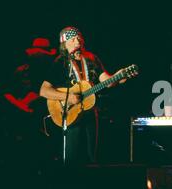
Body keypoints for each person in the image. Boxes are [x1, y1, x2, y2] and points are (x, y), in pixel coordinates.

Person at [39, 27, 127, 167]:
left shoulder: (91, 58)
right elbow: (44, 91)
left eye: (79, 38)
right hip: (71, 114)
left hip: (91, 113)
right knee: (72, 158)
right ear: (64, 44)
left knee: (93, 156)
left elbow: (106, 81)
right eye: (72, 39)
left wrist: (118, 78)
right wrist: (67, 97)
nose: (77, 41)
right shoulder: (60, 62)